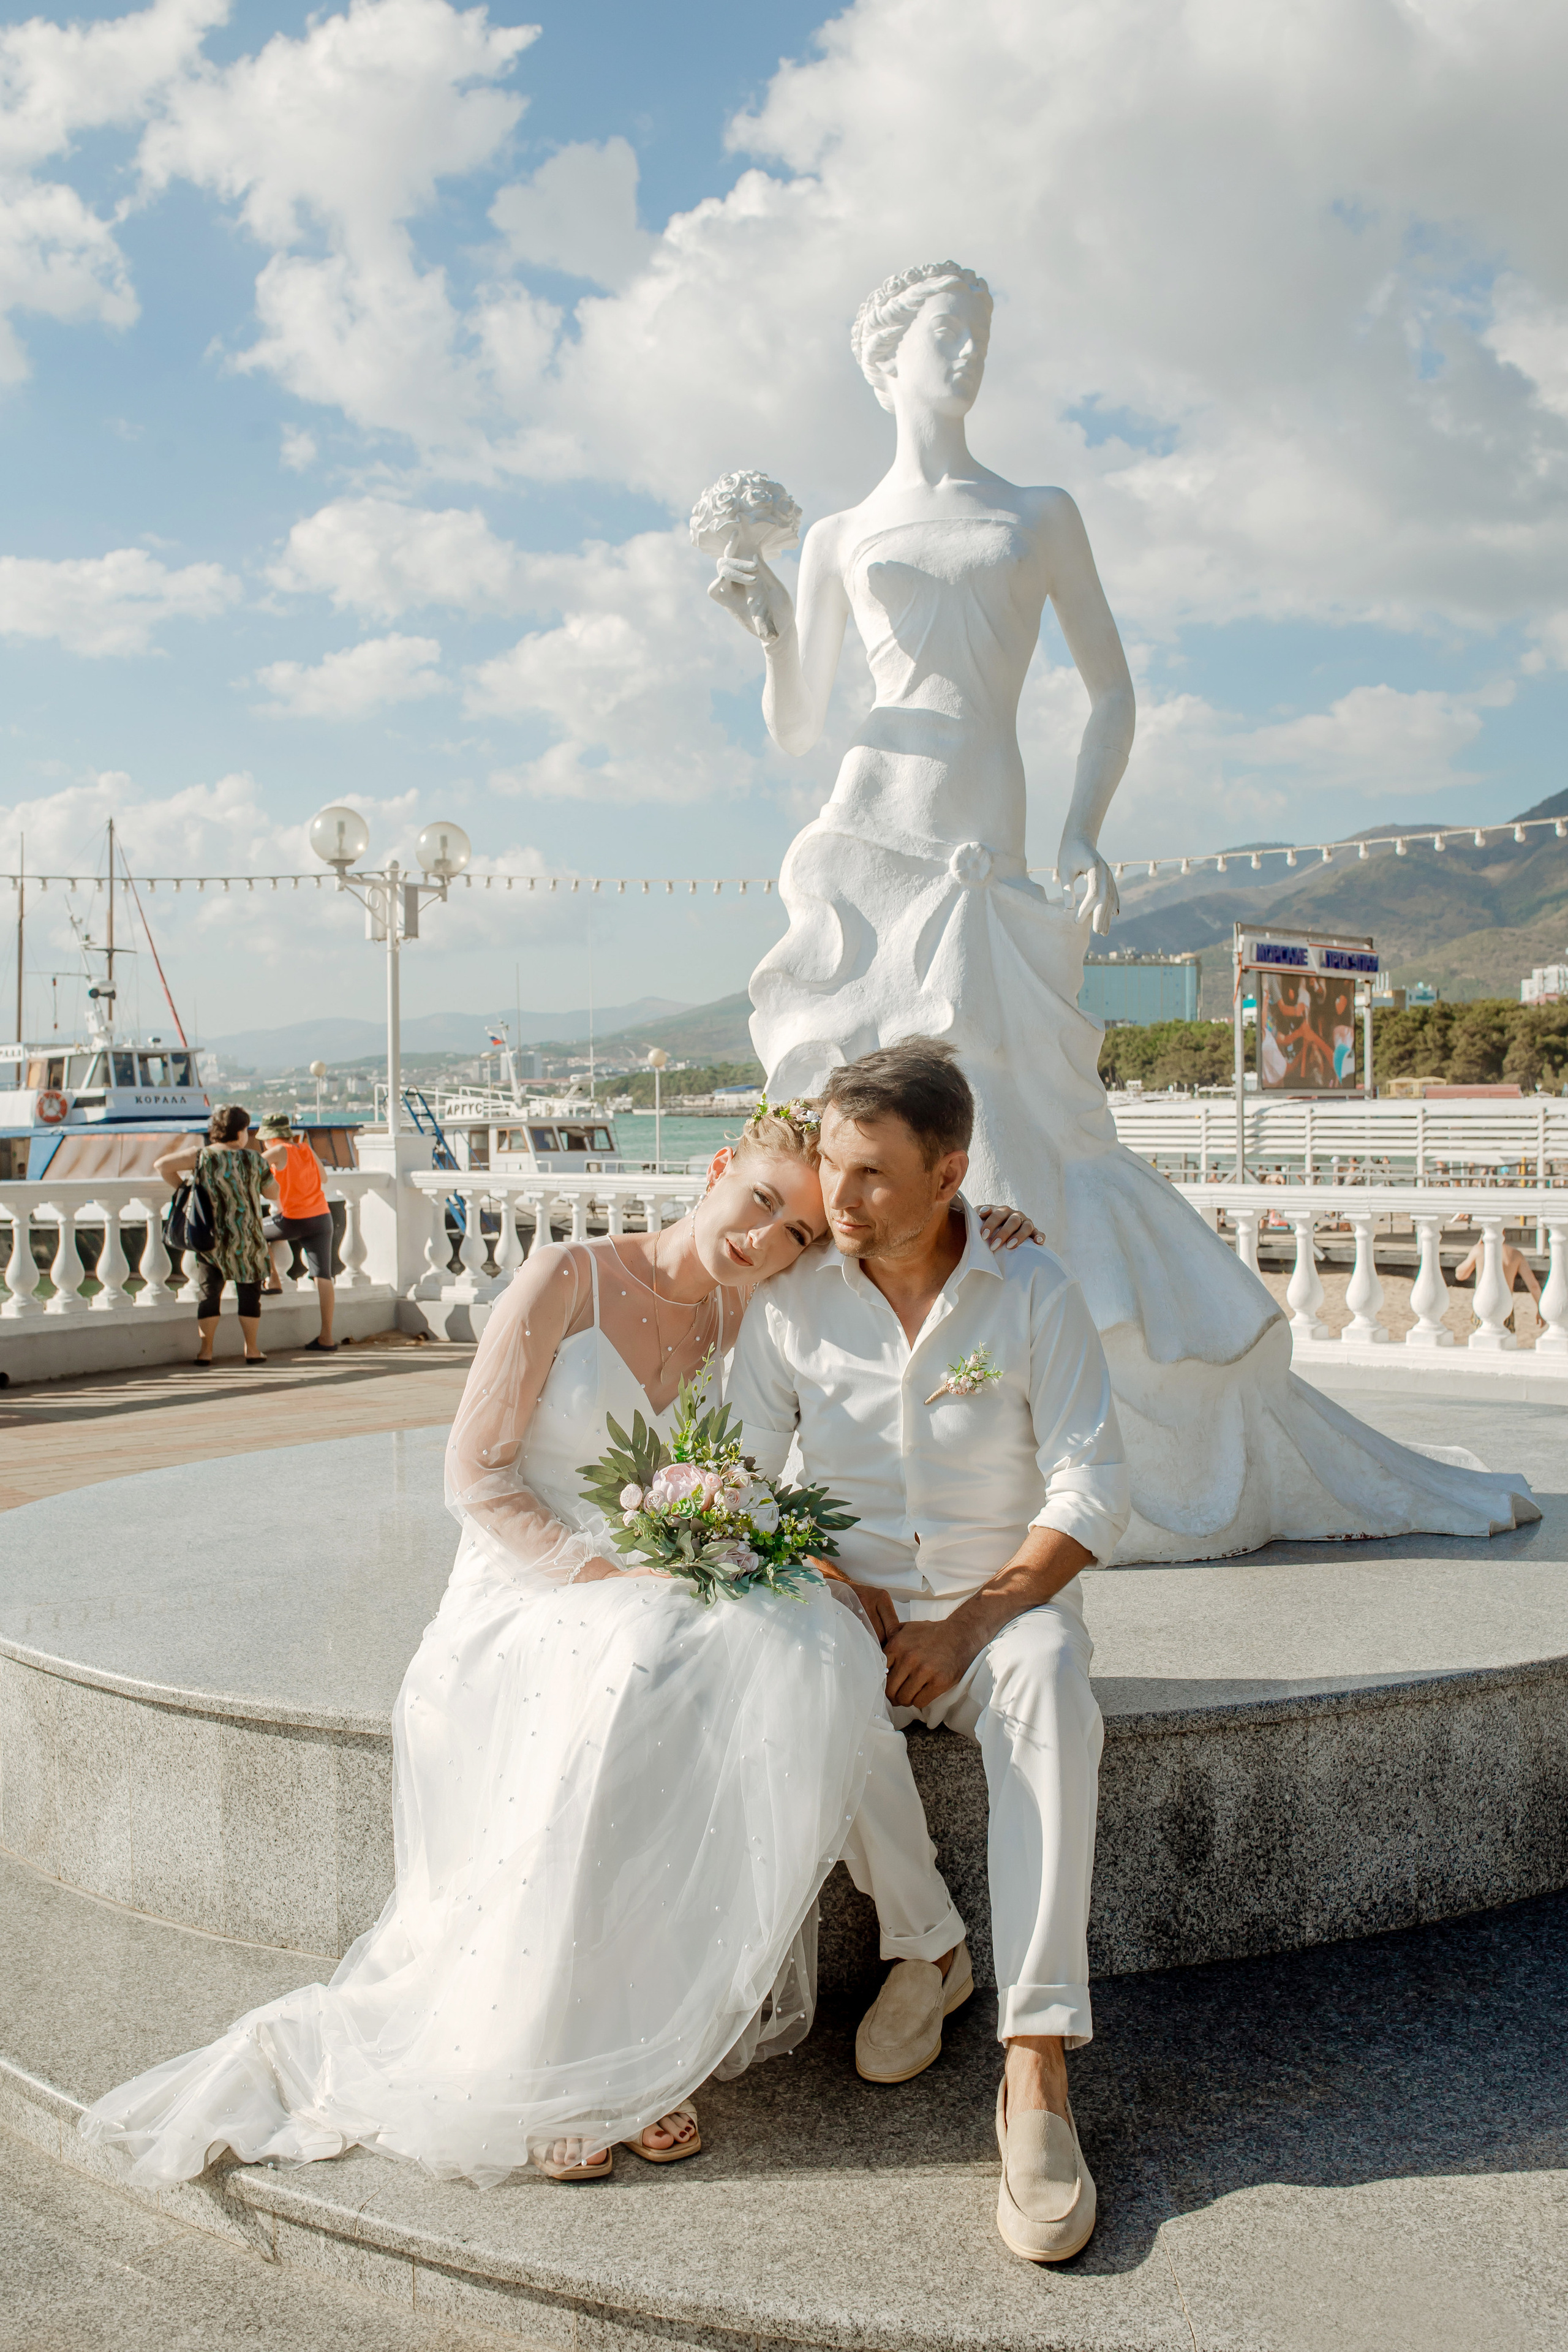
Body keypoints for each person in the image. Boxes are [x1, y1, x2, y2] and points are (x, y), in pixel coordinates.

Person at [705, 257, 1538, 1551]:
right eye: (944, 336)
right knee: (843, 1135)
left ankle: (1050, 1429)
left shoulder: (1036, 512)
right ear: (883, 357)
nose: (966, 357)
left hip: (980, 845)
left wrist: (1084, 829)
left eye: (980, 335)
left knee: (1001, 1122)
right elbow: (800, 723)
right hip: (865, 835)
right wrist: (765, 622)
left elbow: (1108, 689)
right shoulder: (836, 536)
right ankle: (867, 1417)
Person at [80, 1103, 1041, 2192]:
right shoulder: (564, 1279)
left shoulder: (749, 1310)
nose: (767, 1242)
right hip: (530, 1584)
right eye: (762, 1203)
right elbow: (476, 1479)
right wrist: (611, 1575)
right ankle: (577, 2057)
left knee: (814, 1645)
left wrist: (972, 1220)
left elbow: (872, 1276)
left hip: (663, 1573)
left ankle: (916, 1950)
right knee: (637, 1669)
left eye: (796, 1236)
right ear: (719, 1166)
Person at [728, 1041, 1129, 2266]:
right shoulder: (791, 1306)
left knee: (1054, 1681)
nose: (837, 1201)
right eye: (832, 1170)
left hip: (995, 1611)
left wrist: (972, 1619)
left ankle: (1035, 2063)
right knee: (796, 1670)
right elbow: (737, 1478)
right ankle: (929, 1946)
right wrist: (834, 1586)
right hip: (847, 1604)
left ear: (951, 1170)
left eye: (869, 1176)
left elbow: (1093, 1485)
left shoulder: (1031, 1291)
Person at [154, 1106, 276, 1366]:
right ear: (241, 1132)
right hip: (248, 1239)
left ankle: (206, 1351)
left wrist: (186, 1188)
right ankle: (252, 1350)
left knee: (209, 1294)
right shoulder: (254, 1160)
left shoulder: (202, 1157)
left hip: (212, 1238)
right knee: (249, 1295)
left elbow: (162, 1166)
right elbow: (273, 1193)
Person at [257, 1113, 337, 1351]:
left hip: (293, 1219)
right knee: (324, 1276)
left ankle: (273, 1279)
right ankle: (327, 1337)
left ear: (269, 1138)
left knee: (256, 1229)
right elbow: (323, 1178)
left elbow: (250, 1165)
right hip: (322, 1218)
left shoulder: (278, 1150)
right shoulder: (306, 1149)